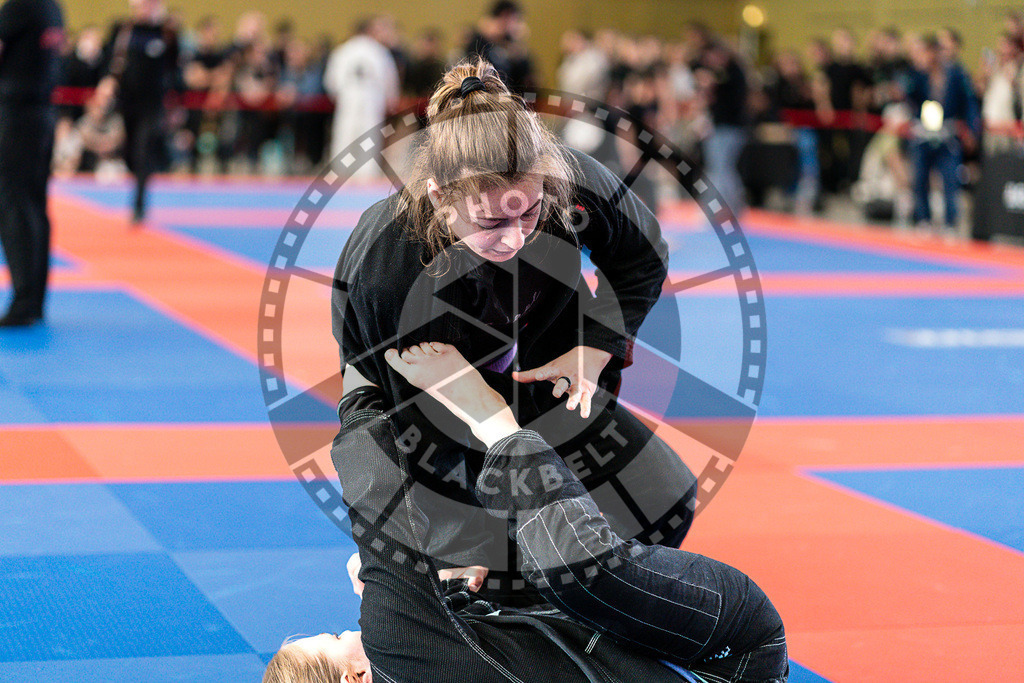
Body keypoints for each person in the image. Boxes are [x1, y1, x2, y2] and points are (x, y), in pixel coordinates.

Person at [332, 58, 699, 605]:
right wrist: (446, 546)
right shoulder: (391, 268)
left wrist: (597, 346)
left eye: (527, 214)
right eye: (490, 224)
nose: (514, 238)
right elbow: (415, 431)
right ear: (439, 198)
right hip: (407, 396)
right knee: (474, 569)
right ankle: (394, 564)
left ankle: (571, 608)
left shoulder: (566, 181)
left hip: (531, 353)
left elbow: (641, 258)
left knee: (664, 502)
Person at [263, 345, 788, 683]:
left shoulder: (419, 654)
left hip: (661, 625)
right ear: (356, 677)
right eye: (335, 638)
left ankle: (518, 376)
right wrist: (361, 381)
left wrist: (439, 591)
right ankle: (498, 419)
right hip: (736, 653)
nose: (347, 631)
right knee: (570, 568)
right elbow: (377, 504)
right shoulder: (394, 655)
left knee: (494, 580)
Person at [0, 0, 64, 327]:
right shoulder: (52, 8)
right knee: (34, 205)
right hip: (42, 113)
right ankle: (34, 299)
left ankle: (25, 302)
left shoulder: (19, 8)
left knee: (15, 205)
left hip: (17, 114)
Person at [105, 0, 179, 224]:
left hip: (153, 104)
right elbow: (111, 61)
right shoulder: (123, 30)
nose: (144, 9)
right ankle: (137, 183)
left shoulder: (166, 33)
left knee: (143, 150)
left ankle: (139, 204)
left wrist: (174, 102)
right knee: (129, 153)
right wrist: (107, 83)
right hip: (127, 101)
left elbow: (174, 68)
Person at [904, 33, 980, 235]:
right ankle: (924, 219)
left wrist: (972, 130)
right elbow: (908, 97)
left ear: (936, 53)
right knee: (920, 178)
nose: (927, 57)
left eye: (929, 52)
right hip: (923, 134)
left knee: (950, 179)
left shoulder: (956, 74)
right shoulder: (918, 76)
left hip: (947, 135)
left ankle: (949, 222)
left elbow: (969, 102)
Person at [323, 15, 399, 178]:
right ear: (369, 31)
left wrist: (337, 95)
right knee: (369, 136)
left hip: (348, 99)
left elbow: (331, 82)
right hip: (371, 100)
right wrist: (391, 98)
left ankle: (339, 172)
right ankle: (367, 175)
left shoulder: (342, 51)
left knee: (344, 134)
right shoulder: (380, 52)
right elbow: (389, 80)